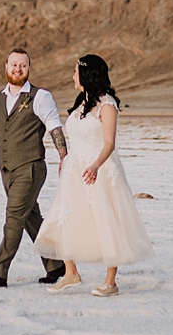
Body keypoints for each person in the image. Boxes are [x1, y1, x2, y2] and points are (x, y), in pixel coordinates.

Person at [35, 53, 154, 296]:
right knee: (65, 217)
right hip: (75, 170)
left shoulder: (107, 104)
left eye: (75, 72)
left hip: (99, 169)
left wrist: (95, 165)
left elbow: (109, 143)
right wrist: (68, 160)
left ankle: (110, 282)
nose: (72, 76)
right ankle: (71, 272)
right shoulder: (82, 102)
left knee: (106, 219)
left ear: (87, 74)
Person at [0, 48, 69, 287]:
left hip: (31, 168)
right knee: (31, 218)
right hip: (7, 169)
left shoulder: (40, 96)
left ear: (28, 69)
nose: (18, 69)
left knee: (14, 218)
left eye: (23, 65)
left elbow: (54, 127)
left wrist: (63, 157)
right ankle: (57, 265)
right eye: (14, 65)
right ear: (6, 67)